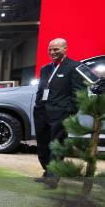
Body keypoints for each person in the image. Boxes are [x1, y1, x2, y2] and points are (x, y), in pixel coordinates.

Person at [33, 38, 93, 187]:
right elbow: (41, 90)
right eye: (50, 50)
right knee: (42, 145)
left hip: (60, 114)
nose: (52, 52)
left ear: (65, 49)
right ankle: (47, 171)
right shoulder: (45, 69)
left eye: (56, 49)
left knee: (56, 145)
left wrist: (68, 111)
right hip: (42, 112)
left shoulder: (74, 67)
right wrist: (38, 105)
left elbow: (79, 92)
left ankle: (53, 177)